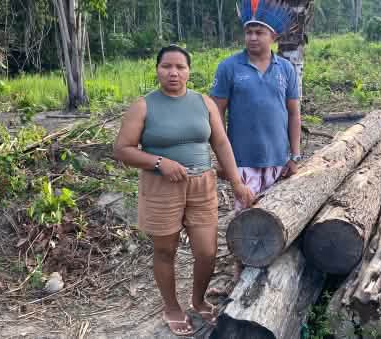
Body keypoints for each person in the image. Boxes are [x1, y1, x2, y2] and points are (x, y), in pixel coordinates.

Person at [113, 45, 254, 336]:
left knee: (207, 251)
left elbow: (221, 144)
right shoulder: (144, 105)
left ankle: (198, 299)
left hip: (202, 185)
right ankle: (171, 307)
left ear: (189, 71)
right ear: (157, 69)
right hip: (161, 187)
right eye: (166, 66)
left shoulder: (204, 103)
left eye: (180, 67)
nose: (173, 72)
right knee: (165, 251)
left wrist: (237, 181)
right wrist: (159, 162)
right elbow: (122, 150)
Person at [210, 0, 301, 211]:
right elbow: (216, 115)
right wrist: (224, 160)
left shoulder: (286, 69)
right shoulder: (228, 67)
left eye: (259, 32)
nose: (252, 37)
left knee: (280, 217)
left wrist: (294, 156)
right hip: (242, 161)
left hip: (279, 161)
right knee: (247, 220)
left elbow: (294, 114)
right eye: (248, 32)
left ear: (273, 37)